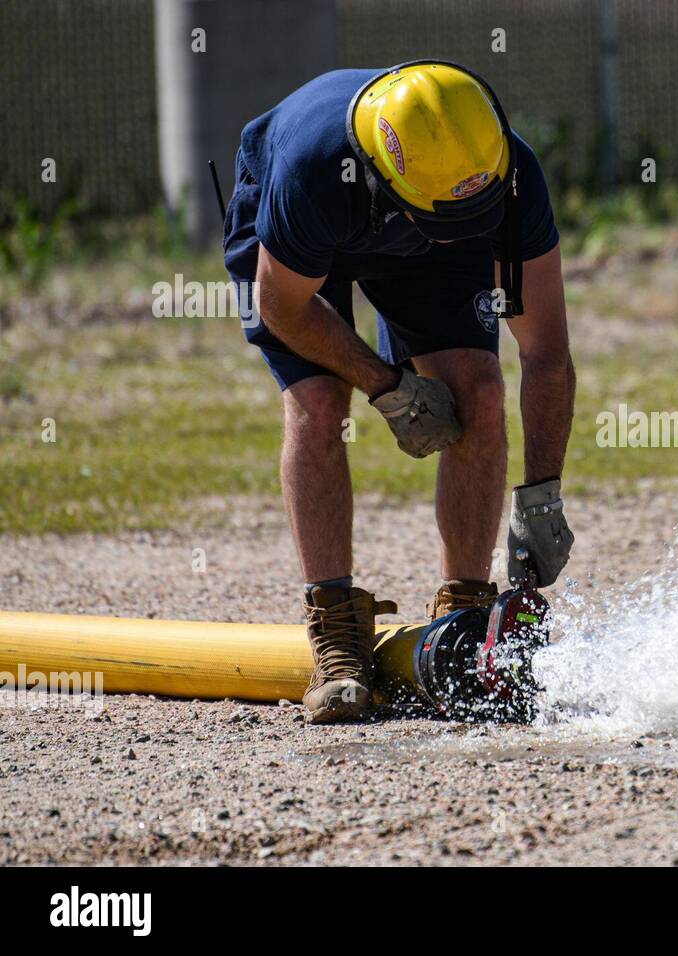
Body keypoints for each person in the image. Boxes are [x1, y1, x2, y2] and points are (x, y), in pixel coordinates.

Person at [222, 61, 575, 724]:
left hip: (421, 209)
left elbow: (546, 353)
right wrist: (386, 386)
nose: (467, 228)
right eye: (452, 219)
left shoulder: (505, 173)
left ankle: (466, 624)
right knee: (320, 404)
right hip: (310, 239)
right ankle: (336, 638)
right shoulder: (311, 169)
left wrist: (542, 497)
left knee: (478, 394)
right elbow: (284, 306)